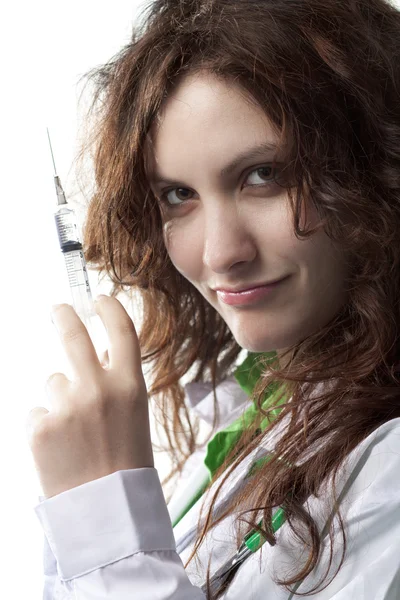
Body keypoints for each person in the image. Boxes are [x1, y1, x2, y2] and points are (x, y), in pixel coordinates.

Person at [26, 0, 400, 598]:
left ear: (376, 171)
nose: (221, 253)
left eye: (264, 175)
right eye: (178, 194)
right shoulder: (264, 407)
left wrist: (108, 518)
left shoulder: (390, 467)